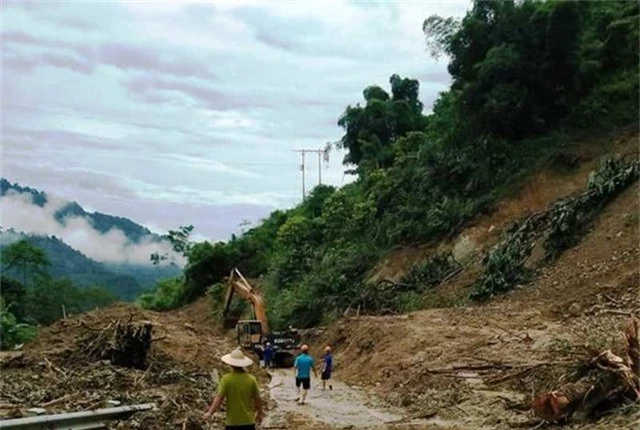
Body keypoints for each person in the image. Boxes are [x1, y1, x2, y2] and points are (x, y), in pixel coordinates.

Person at [203, 348, 264, 430]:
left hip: (232, 423)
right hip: (248, 422)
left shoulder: (226, 379)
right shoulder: (251, 379)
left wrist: (210, 412)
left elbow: (219, 397)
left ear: (231, 364)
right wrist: (260, 413)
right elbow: (257, 399)